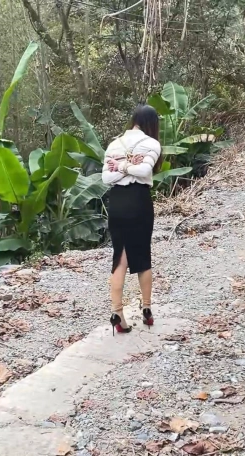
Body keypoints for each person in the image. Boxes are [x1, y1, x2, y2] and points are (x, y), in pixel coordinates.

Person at [102, 104, 163, 335]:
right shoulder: (152, 143)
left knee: (120, 257)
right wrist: (129, 166)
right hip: (138, 200)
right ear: (152, 123)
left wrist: (119, 166)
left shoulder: (114, 144)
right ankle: (146, 309)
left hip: (117, 202)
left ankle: (117, 313)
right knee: (143, 254)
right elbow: (143, 171)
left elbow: (108, 177)